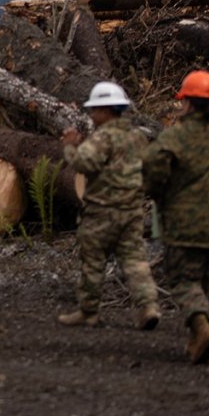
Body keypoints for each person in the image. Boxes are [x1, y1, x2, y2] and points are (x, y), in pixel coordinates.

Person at [143, 70, 209, 364]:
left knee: (183, 280)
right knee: (203, 284)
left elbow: (154, 169)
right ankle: (197, 342)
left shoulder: (177, 136)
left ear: (190, 103)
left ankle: (202, 328)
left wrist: (158, 193)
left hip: (186, 225)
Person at [58, 82, 160, 330]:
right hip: (132, 211)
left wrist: (70, 147)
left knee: (93, 262)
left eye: (95, 110)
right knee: (135, 260)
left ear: (106, 110)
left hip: (101, 212)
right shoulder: (138, 137)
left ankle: (88, 311)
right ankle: (148, 306)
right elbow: (149, 170)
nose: (92, 116)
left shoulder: (102, 137)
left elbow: (84, 164)